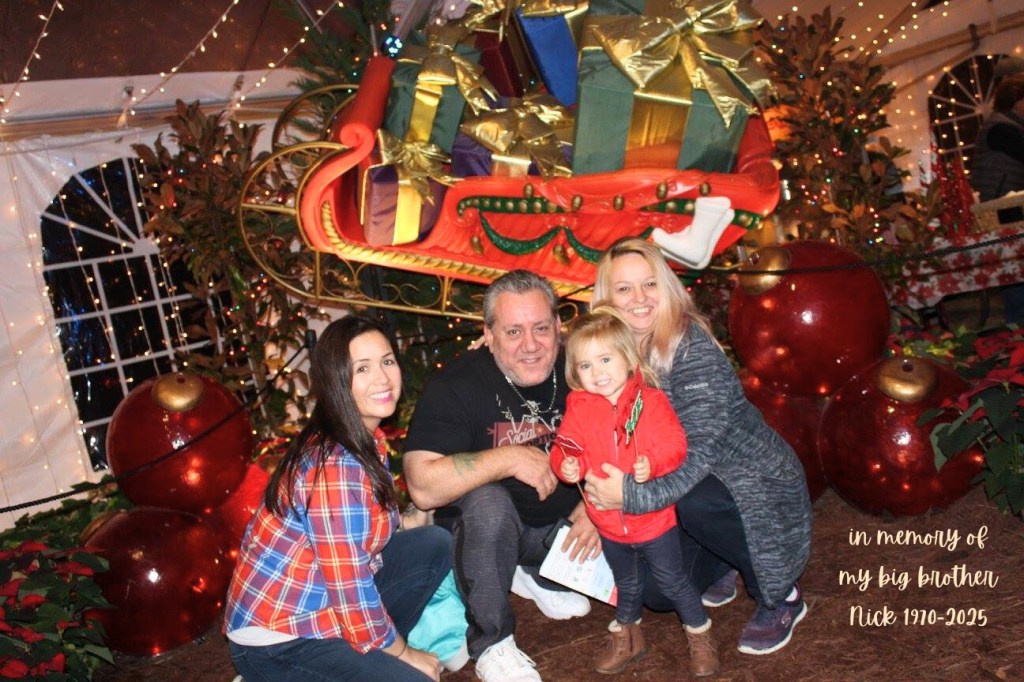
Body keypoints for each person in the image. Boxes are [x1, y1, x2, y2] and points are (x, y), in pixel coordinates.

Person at [584, 237, 813, 656]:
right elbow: (573, 390)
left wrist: (631, 497)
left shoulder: (690, 347)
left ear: (666, 286)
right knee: (658, 594)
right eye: (624, 288)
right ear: (607, 298)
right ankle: (725, 557)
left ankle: (782, 595)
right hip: (682, 482)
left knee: (697, 501)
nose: (639, 298)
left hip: (748, 480)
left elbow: (699, 453)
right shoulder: (610, 354)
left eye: (649, 284)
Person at [224, 316, 452, 681]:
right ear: (336, 382)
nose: (382, 378)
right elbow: (350, 590)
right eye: (362, 368)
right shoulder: (336, 466)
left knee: (432, 544)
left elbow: (361, 541)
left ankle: (366, 661)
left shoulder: (364, 438)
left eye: (387, 361)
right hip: (279, 638)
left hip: (323, 602)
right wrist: (404, 654)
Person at [403, 269, 599, 682]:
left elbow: (630, 429)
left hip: (566, 528)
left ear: (558, 326)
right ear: (488, 335)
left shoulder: (585, 365)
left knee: (657, 582)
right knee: (488, 501)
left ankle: (536, 571)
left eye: (540, 328)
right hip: (486, 532)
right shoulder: (455, 385)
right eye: (512, 332)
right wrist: (509, 458)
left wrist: (598, 503)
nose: (530, 345)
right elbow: (421, 486)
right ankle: (492, 643)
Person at [551, 306, 720, 677]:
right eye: (585, 365)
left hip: (654, 523)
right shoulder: (579, 408)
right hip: (609, 524)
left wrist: (652, 463)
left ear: (628, 359)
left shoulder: (651, 402)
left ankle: (700, 634)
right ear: (575, 372)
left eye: (605, 359)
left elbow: (675, 444)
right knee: (626, 584)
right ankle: (629, 638)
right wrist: (566, 464)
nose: (597, 372)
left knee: (673, 581)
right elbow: (566, 446)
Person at [970, 71, 1024, 324]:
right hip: (1001, 209)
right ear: (1017, 102)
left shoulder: (1005, 125)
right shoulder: (1001, 128)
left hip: (1007, 207)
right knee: (1014, 268)